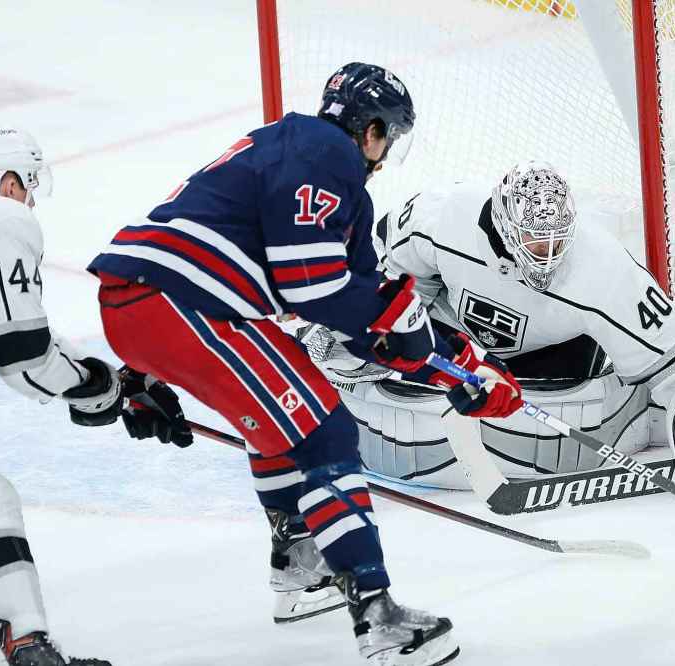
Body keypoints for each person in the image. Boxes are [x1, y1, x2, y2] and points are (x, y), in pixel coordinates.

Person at [88, 62, 522, 666]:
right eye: (389, 136)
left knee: (283, 423)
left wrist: (457, 371)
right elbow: (314, 288)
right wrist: (408, 330)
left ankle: (300, 566)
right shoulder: (323, 152)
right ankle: (378, 618)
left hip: (149, 304)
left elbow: (370, 323)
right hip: (183, 304)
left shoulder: (300, 156)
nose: (385, 152)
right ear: (369, 129)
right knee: (326, 429)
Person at [0, 126, 184, 665]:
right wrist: (100, 389)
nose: (30, 197)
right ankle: (28, 644)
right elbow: (24, 357)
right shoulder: (4, 218)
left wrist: (105, 384)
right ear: (8, 179)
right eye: (28, 182)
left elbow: (5, 347)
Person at [306, 161, 675, 495]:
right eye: (535, 238)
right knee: (355, 337)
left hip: (554, 355)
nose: (547, 250)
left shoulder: (604, 270)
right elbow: (379, 270)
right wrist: (349, 324)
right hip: (462, 341)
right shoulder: (442, 213)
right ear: (507, 225)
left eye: (556, 238)